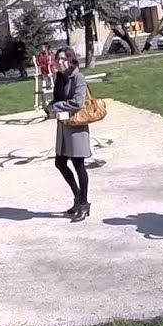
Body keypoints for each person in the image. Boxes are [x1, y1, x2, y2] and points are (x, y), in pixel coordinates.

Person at [50, 47, 92, 223]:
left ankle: (84, 204)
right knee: (60, 162)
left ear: (71, 60)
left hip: (76, 126)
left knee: (78, 164)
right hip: (63, 126)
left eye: (63, 59)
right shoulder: (60, 78)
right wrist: (49, 106)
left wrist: (56, 106)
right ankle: (77, 197)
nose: (60, 62)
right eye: (58, 59)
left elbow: (77, 102)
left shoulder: (78, 78)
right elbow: (57, 99)